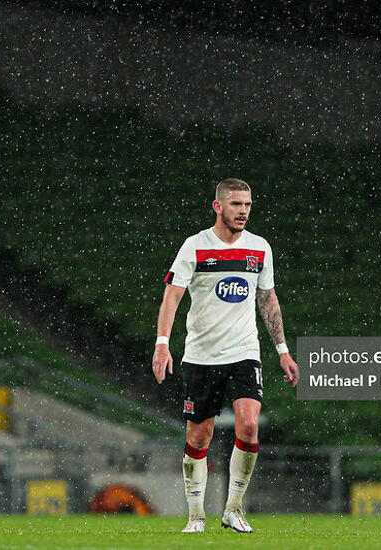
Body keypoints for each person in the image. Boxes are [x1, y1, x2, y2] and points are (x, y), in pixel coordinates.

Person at [152, 178, 299, 534]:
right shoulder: (195, 246)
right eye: (236, 204)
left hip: (243, 353)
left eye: (247, 205)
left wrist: (282, 350)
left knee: (248, 424)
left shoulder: (259, 248)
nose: (243, 211)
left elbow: (268, 299)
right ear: (217, 207)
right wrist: (162, 342)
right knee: (199, 437)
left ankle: (234, 509)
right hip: (201, 356)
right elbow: (173, 295)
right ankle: (197, 516)